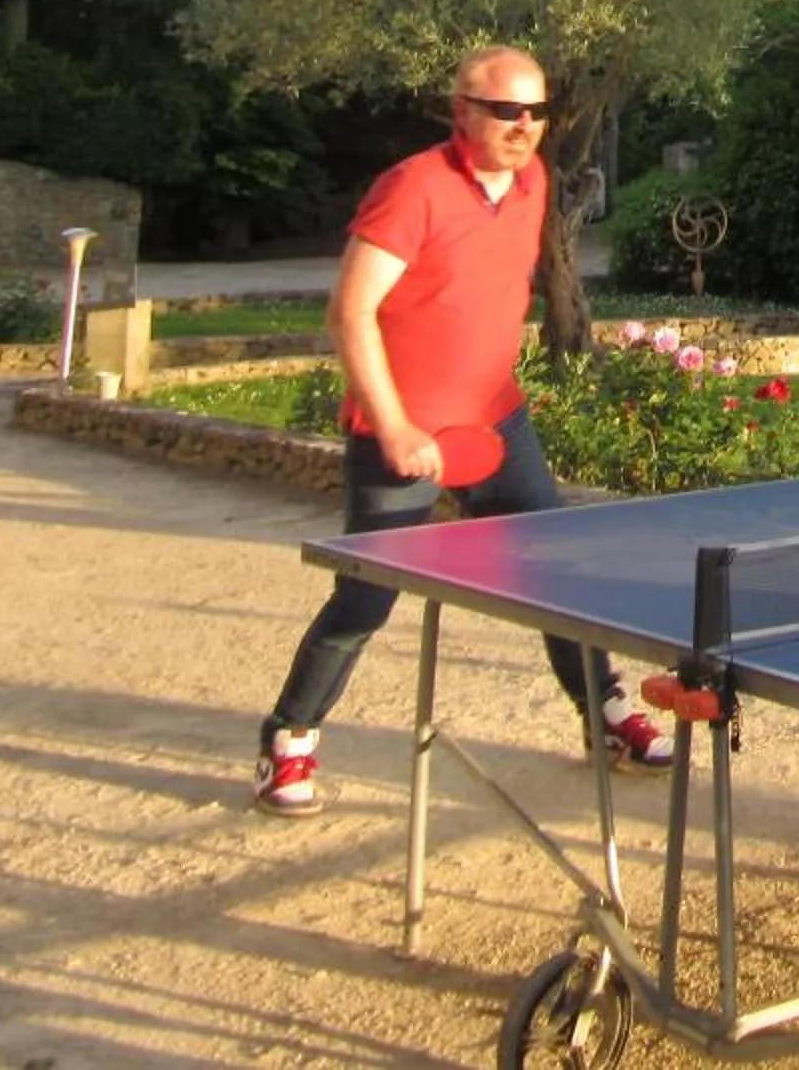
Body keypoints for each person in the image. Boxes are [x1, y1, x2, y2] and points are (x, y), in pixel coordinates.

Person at [253, 46, 670, 815]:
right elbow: (350, 312)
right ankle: (289, 740)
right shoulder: (412, 188)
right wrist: (396, 427)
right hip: (403, 431)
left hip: (495, 421)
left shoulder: (534, 182)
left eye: (536, 112)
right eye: (505, 111)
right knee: (367, 597)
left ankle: (605, 714)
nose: (523, 127)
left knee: (558, 570)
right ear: (462, 112)